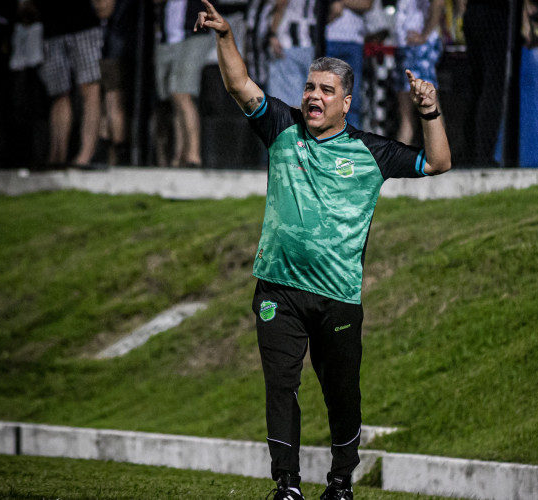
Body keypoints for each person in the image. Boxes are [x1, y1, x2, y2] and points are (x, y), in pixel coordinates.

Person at [195, 1, 451, 499]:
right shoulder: (281, 128)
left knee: (341, 395)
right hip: (279, 290)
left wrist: (429, 111)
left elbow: (437, 162)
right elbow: (239, 85)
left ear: (345, 103)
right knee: (281, 386)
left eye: (325, 91)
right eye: (310, 87)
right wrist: (225, 36)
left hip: (338, 297)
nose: (313, 96)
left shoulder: (372, 152)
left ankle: (340, 482)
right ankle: (287, 486)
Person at [35, 0, 103, 167]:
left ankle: (86, 155)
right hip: (53, 27)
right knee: (58, 94)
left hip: (84, 24)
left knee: (90, 88)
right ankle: (57, 157)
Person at [154, 0, 214, 168]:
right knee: (174, 98)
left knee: (182, 93)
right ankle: (179, 155)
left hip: (193, 35)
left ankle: (194, 155)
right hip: (169, 38)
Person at [462, 0, 509, 166]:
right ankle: (483, 154)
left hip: (473, 14)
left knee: (477, 87)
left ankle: (470, 150)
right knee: (492, 87)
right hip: (495, 14)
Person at [92, 0, 137, 166]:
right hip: (112, 46)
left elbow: (104, 9)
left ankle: (119, 149)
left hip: (116, 47)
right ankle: (107, 147)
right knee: (106, 100)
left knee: (113, 97)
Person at [394, 0, 445, 145]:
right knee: (405, 112)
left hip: (419, 47)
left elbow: (438, 3)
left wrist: (425, 35)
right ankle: (399, 162)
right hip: (404, 45)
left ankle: (440, 158)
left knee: (428, 102)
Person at [325, 0, 372, 128]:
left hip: (353, 41)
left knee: (352, 97)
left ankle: (350, 142)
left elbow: (367, 4)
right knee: (327, 95)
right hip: (328, 38)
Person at [266, 0, 316, 108]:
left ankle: (291, 125)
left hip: (288, 40)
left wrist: (272, 33)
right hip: (308, 40)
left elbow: (282, 3)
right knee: (302, 96)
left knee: (287, 100)